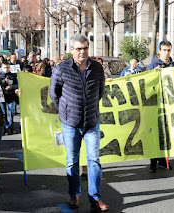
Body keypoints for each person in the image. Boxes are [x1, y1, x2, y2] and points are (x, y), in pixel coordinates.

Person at [50, 34, 109, 211]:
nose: (82, 52)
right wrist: (67, 111)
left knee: (94, 161)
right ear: (71, 50)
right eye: (78, 49)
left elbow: (100, 91)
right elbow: (55, 94)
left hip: (91, 122)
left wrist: (90, 109)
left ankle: (95, 198)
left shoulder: (97, 68)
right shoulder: (62, 68)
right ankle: (74, 195)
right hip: (70, 124)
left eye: (85, 48)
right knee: (72, 162)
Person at [146, 40, 174, 173]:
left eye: (168, 50)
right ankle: (153, 161)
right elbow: (145, 82)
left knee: (166, 134)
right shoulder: (152, 65)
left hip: (168, 105)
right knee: (155, 134)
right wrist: (152, 74)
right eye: (164, 50)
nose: (166, 53)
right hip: (155, 106)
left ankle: (163, 160)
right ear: (159, 51)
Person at [0, 61, 18, 135]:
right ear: (2, 68)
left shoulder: (13, 75)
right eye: (4, 68)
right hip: (2, 96)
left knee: (11, 112)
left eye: (7, 67)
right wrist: (4, 81)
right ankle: (6, 126)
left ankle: (11, 126)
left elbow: (17, 85)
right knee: (3, 113)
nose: (6, 69)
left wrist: (11, 87)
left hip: (11, 96)